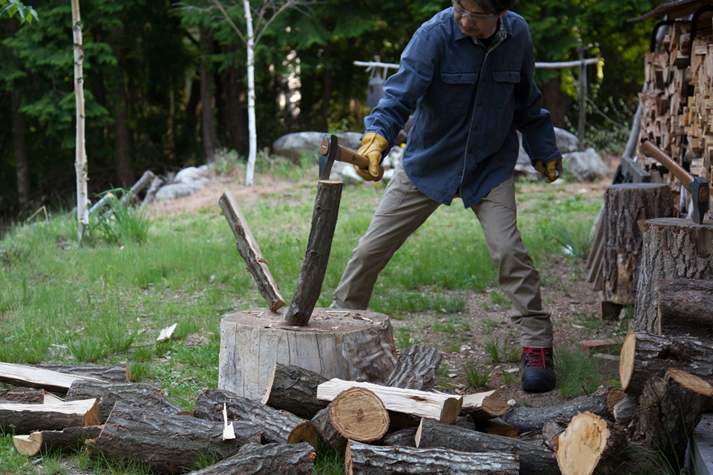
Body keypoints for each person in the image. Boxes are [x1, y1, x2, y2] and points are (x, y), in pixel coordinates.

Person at [332, 0, 563, 393]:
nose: (462, 18)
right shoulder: (433, 35)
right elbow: (397, 98)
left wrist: (543, 147)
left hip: (489, 166)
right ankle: (337, 332)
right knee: (370, 250)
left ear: (499, 14)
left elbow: (527, 100)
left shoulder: (518, 34)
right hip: (428, 165)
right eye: (458, 6)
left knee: (509, 251)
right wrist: (375, 141)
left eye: (473, 13)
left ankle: (536, 347)